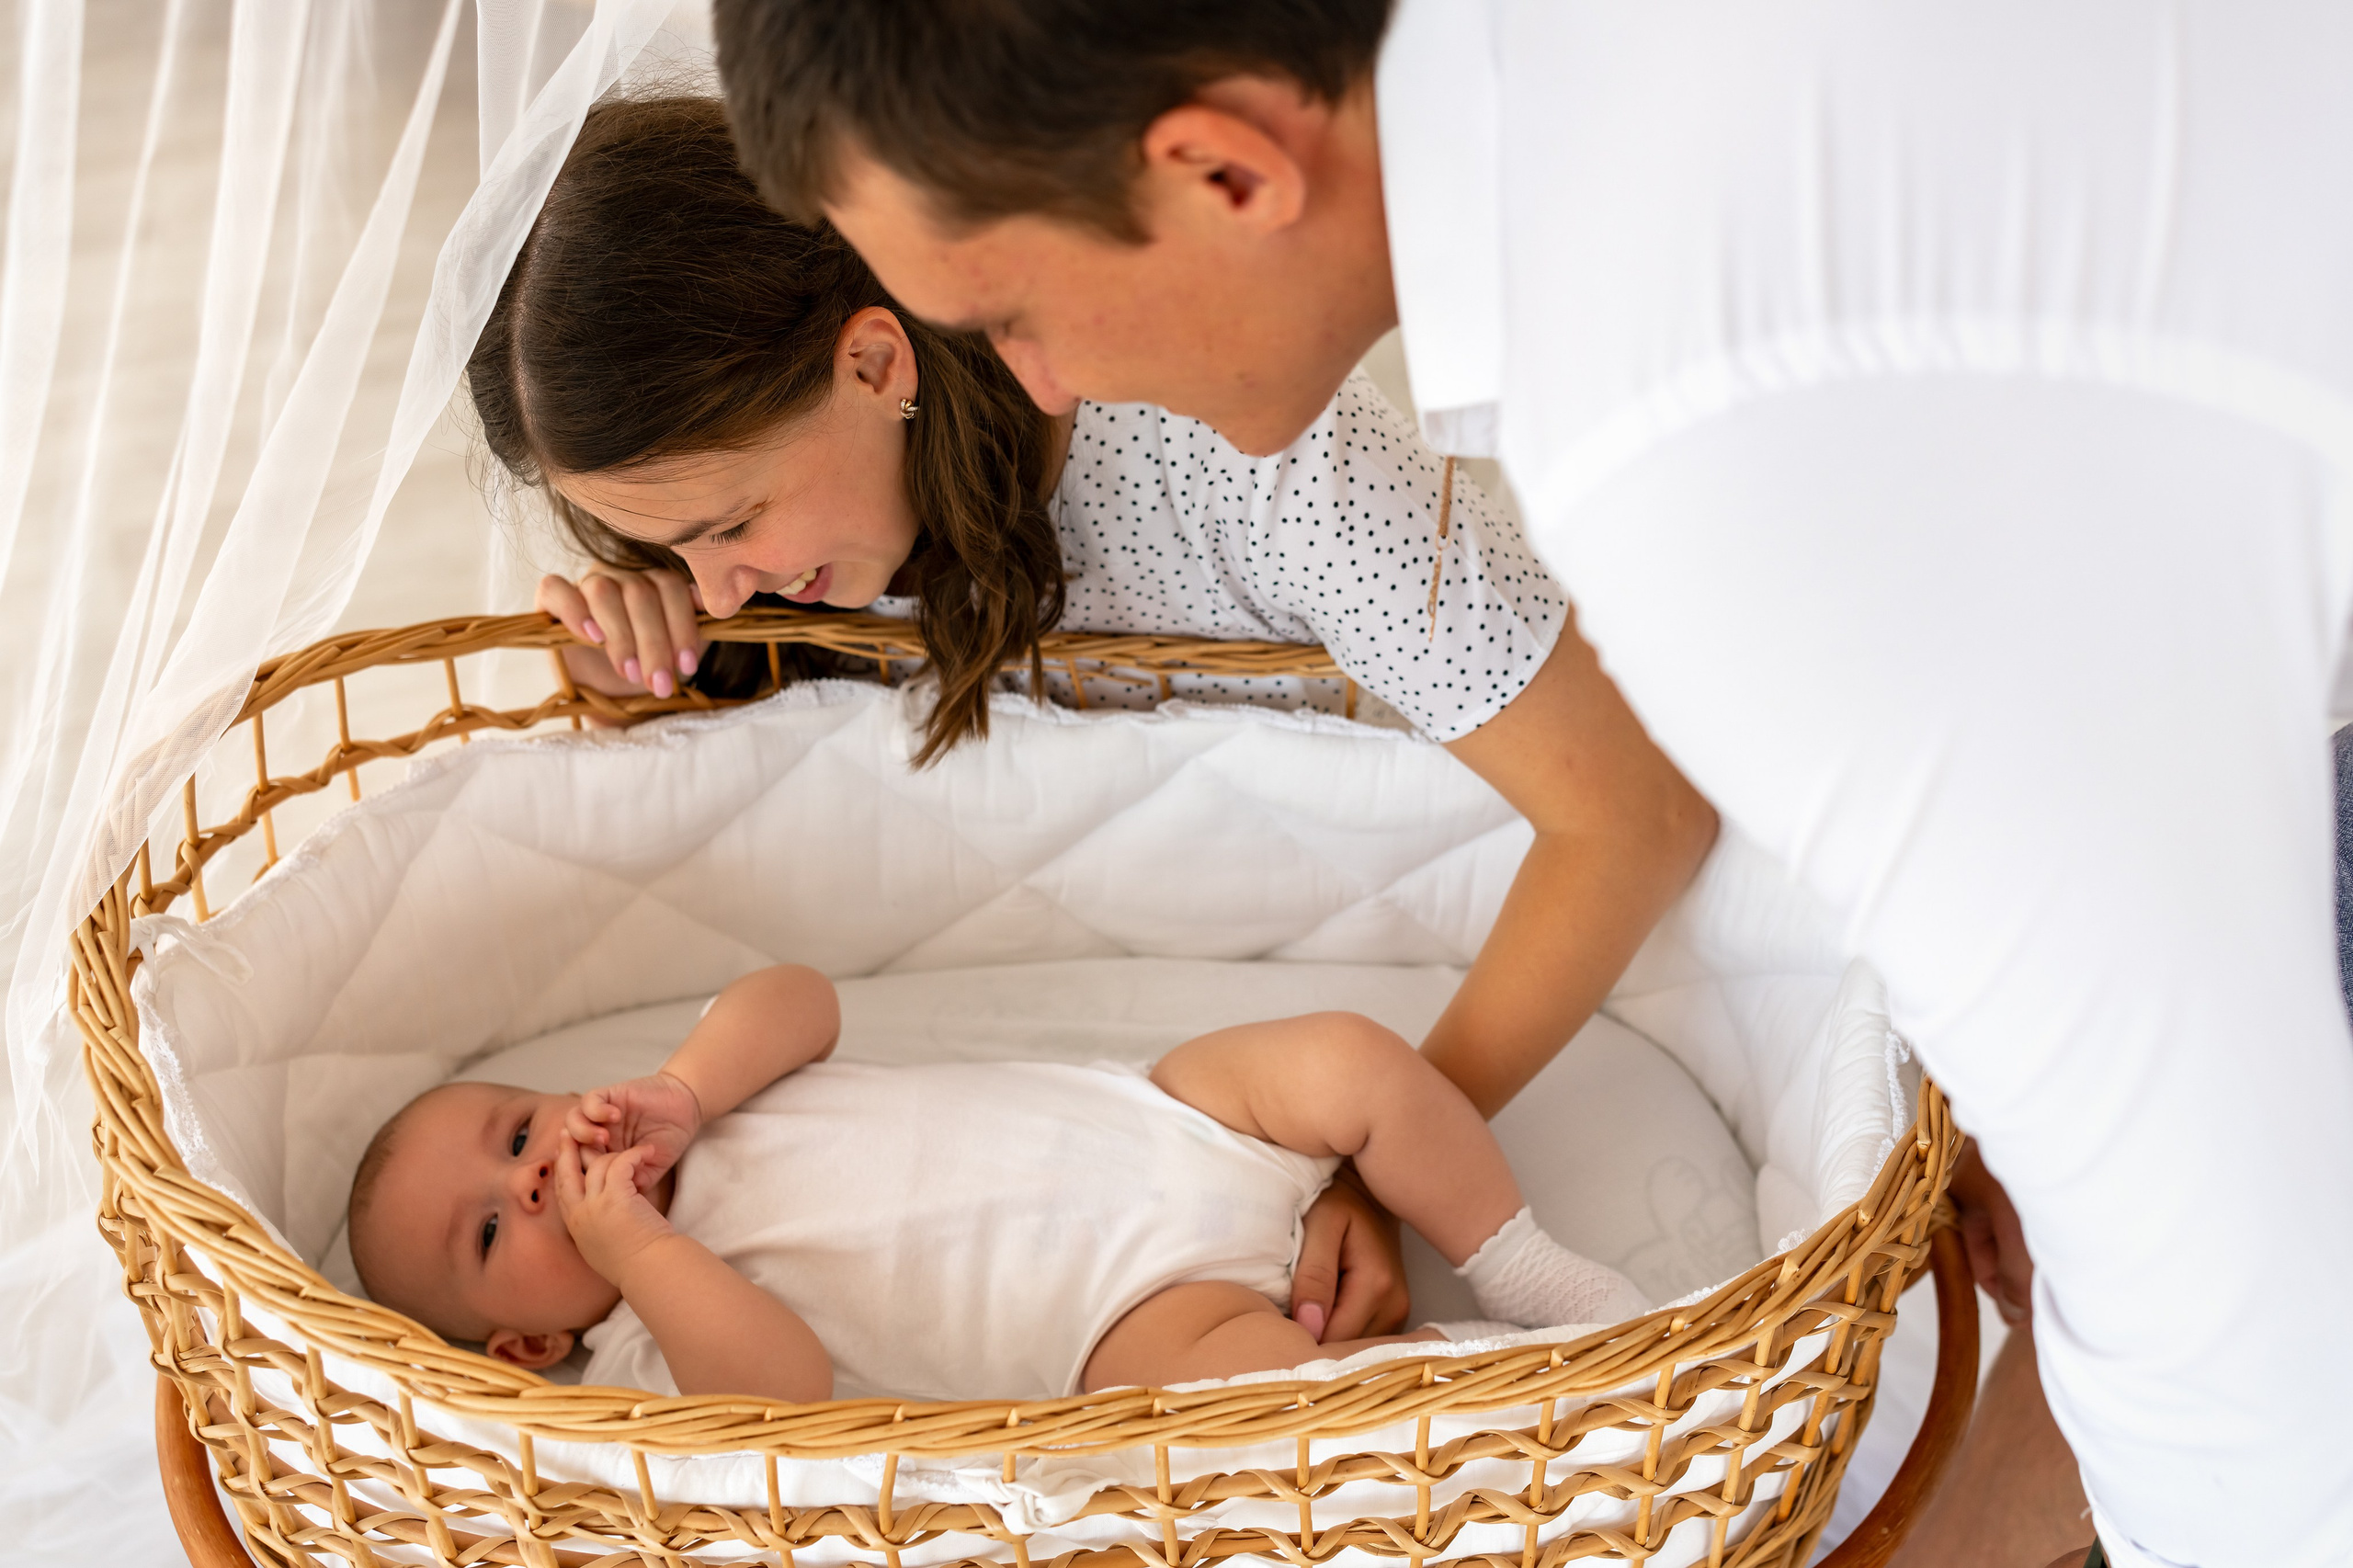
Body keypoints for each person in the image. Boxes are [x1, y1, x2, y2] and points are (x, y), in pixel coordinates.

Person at [708, 3, 2353, 1566]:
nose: (1039, 388)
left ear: (1227, 174)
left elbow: (2221, 1260)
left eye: (1008, 319)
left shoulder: (1680, 410)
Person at [468, 97, 1717, 1346]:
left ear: (874, 363)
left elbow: (1640, 815)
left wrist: (1387, 1157)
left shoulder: (1239, 443)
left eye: (730, 526)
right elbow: (800, 793)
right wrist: (651, 668)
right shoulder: (783, 576)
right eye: (666, 547)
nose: (720, 583)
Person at [344, 963, 1649, 1401]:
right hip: (1121, 1315)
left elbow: (800, 1001)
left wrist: (686, 1090)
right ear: (526, 1341)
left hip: (1162, 1115)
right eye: (489, 1230)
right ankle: (1457, 1361)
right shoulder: (644, 1339)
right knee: (1261, 1417)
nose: (533, 1181)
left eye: (517, 1135)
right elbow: (783, 1387)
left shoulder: (691, 1102)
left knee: (1350, 1059)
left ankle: (1525, 1262)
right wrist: (634, 1252)